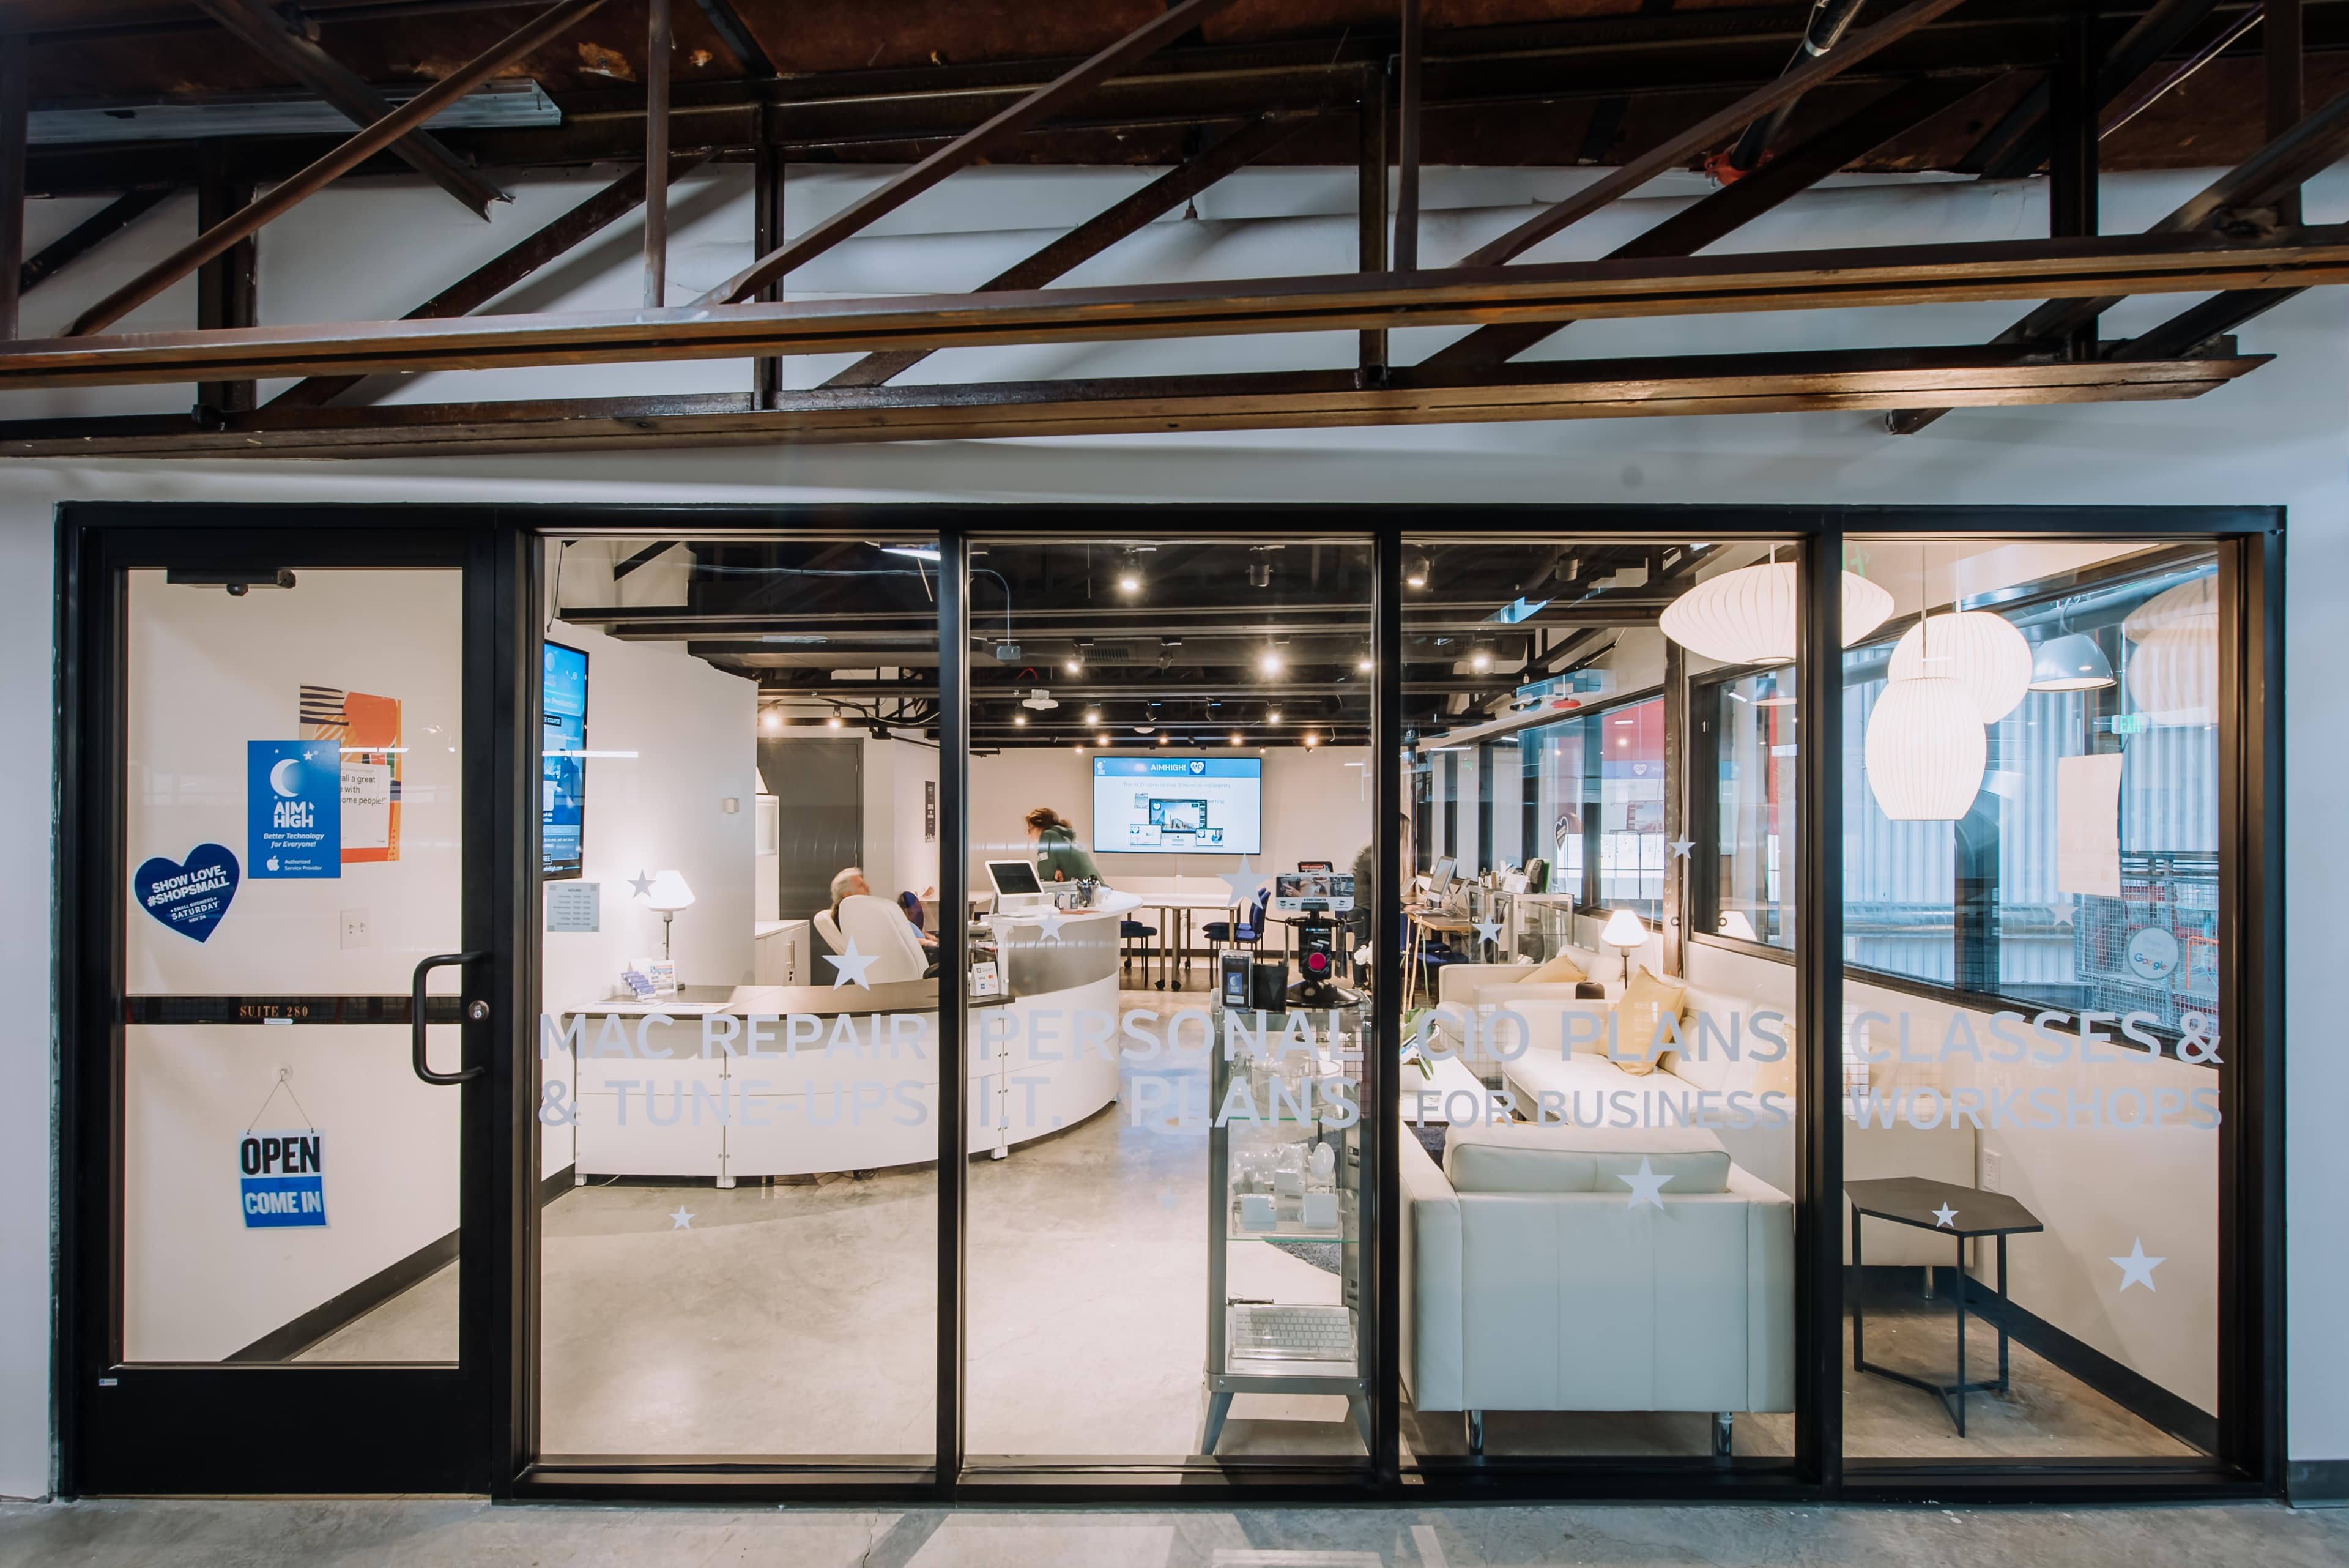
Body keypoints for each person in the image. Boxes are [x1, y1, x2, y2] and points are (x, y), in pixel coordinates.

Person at [1026, 805, 1099, 883]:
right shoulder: (1063, 837)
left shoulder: (1047, 836)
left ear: (1039, 827)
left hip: (1088, 893)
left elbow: (1046, 876)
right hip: (1099, 890)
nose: (1028, 834)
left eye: (1030, 829)